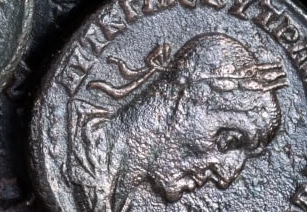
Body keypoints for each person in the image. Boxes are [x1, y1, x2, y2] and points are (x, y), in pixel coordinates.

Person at [66, 33, 285, 211]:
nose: (226, 177)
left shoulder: (116, 200)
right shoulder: (65, 143)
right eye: (227, 141)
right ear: (188, 96)